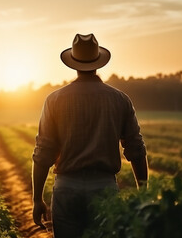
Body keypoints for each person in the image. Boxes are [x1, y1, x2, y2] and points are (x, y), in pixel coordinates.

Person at [32, 33, 148, 238]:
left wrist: (37, 199)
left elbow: (43, 153)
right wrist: (143, 193)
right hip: (104, 187)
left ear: (74, 64)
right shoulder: (120, 99)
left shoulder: (54, 100)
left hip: (67, 187)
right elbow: (136, 149)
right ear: (98, 63)